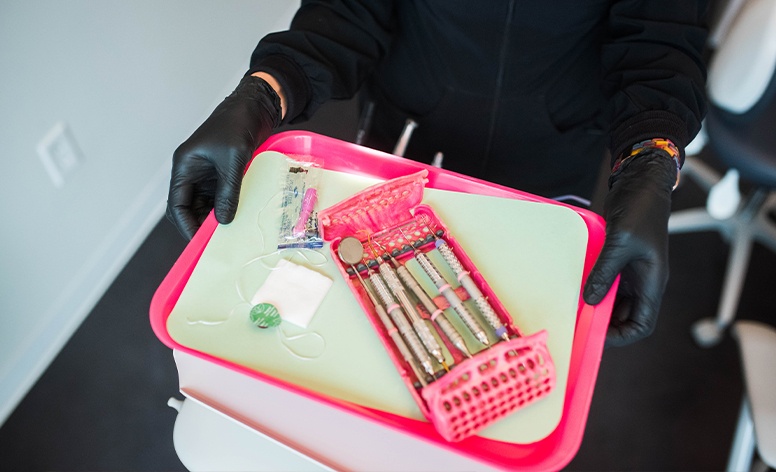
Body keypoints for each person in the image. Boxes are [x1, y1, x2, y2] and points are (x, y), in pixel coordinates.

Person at [167, 1, 709, 347]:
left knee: (506, 319)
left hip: (553, 143)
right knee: (374, 315)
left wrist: (652, 159)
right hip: (409, 129)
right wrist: (263, 92)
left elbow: (659, 41)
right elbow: (348, 11)